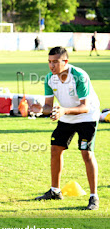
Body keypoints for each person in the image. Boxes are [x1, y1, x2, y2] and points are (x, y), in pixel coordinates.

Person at [30, 47, 100, 210]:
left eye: (55, 62)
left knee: (86, 153)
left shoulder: (79, 76)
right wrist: (41, 110)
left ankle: (93, 196)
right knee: (55, 149)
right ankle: (55, 191)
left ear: (65, 62)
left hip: (87, 116)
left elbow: (84, 107)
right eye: (49, 62)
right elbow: (48, 106)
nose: (51, 66)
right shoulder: (50, 78)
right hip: (67, 116)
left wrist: (62, 111)